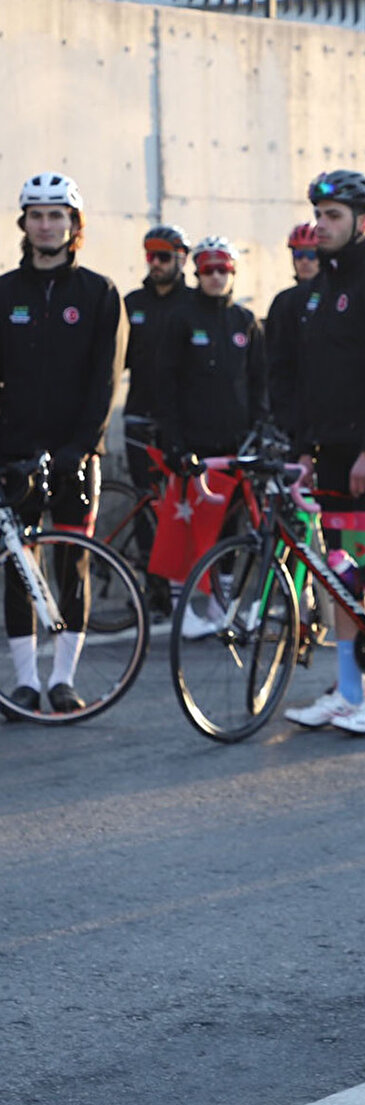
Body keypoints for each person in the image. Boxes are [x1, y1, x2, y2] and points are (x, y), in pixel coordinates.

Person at [283, 169, 365, 735]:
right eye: (318, 214)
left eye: (333, 216)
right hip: (330, 447)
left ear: (363, 223)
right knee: (337, 570)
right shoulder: (321, 287)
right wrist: (306, 449)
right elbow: (313, 375)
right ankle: (347, 690)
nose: (321, 225)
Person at [0, 171, 126, 713]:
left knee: (71, 564)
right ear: (24, 224)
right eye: (37, 215)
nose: (47, 224)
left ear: (74, 225)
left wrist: (82, 447)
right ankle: (26, 681)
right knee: (18, 566)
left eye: (58, 215)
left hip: (77, 456)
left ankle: (63, 681)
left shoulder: (99, 293)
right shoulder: (5, 292)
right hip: (15, 454)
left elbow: (105, 378)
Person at [154, 235, 268, 638]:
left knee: (228, 530)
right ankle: (182, 610)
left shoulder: (245, 322)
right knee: (185, 527)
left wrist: (258, 431)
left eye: (223, 269)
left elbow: (258, 385)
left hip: (235, 447)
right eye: (207, 270)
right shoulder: (181, 319)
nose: (216, 276)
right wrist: (174, 442)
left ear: (233, 272)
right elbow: (164, 385)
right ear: (197, 272)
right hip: (193, 446)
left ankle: (221, 607)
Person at [124, 224, 191, 482]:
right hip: (140, 413)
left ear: (182, 259)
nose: (156, 264)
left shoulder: (193, 304)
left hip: (183, 419)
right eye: (150, 256)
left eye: (163, 257)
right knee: (146, 500)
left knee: (181, 500)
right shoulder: (132, 303)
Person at [265, 222, 321, 442]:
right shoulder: (283, 301)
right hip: (292, 406)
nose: (305, 262)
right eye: (299, 255)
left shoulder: (335, 295)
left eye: (311, 255)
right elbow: (272, 358)